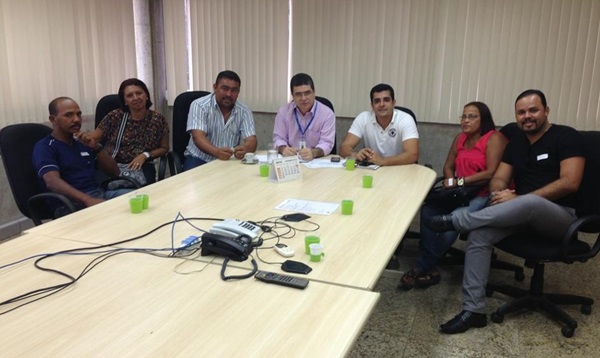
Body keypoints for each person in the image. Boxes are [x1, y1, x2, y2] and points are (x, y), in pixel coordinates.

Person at [426, 89, 585, 334]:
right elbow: (499, 177)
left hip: (560, 217)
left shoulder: (566, 137)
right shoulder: (517, 143)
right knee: (479, 237)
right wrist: (499, 194)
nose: (527, 116)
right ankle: (473, 310)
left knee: (529, 204)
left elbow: (570, 182)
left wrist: (520, 199)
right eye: (521, 112)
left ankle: (458, 221)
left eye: (533, 110)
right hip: (517, 212)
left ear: (546, 110)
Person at [399, 102, 506, 290]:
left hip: (481, 194)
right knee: (428, 210)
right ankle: (430, 265)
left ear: (484, 119)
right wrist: (451, 185)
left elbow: (491, 172)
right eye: (463, 116)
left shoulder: (493, 138)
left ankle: (421, 267)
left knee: (451, 220)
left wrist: (460, 182)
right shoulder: (460, 138)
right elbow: (448, 166)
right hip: (459, 192)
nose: (466, 120)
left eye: (472, 116)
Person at [33, 97, 133, 217]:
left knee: (141, 198)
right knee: (117, 217)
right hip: (68, 204)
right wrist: (88, 200)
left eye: (78, 114)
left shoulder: (82, 142)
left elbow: (115, 173)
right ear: (53, 120)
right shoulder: (45, 147)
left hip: (99, 195)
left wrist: (96, 148)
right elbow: (52, 182)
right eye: (68, 115)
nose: (76, 119)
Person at [87, 78, 169, 186]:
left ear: (146, 95)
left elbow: (164, 148)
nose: (135, 98)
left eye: (139, 93)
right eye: (129, 96)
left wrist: (144, 155)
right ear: (125, 101)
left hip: (141, 166)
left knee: (141, 192)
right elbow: (94, 139)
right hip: (111, 164)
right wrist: (83, 137)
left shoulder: (158, 119)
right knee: (102, 189)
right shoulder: (115, 116)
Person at [183, 70, 257, 170]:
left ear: (238, 92)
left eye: (234, 90)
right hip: (199, 159)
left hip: (229, 161)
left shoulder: (244, 111)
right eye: (224, 89)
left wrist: (246, 149)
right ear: (215, 87)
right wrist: (217, 153)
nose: (229, 94)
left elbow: (251, 140)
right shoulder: (199, 105)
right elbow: (198, 137)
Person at [340, 83, 419, 166]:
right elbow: (344, 148)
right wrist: (355, 155)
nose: (381, 104)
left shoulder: (405, 119)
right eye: (377, 101)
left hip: (399, 168)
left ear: (393, 103)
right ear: (372, 106)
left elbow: (412, 155)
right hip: (373, 170)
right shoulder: (363, 118)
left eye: (386, 100)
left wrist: (383, 161)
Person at [272, 73, 336, 160]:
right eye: (298, 94)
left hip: (316, 160)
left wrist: (313, 153)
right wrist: (283, 149)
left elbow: (327, 143)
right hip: (291, 160)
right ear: (293, 96)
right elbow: (278, 138)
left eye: (307, 93)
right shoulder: (283, 112)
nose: (303, 98)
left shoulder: (327, 114)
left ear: (314, 93)